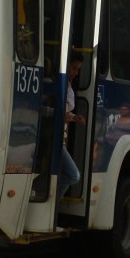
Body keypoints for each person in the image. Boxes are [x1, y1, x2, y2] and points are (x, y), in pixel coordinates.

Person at [57, 53, 87, 199]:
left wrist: (74, 117)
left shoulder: (68, 85)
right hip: (55, 139)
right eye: (74, 68)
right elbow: (53, 111)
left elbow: (66, 113)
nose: (75, 73)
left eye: (78, 70)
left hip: (62, 138)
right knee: (73, 175)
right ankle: (52, 200)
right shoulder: (56, 82)